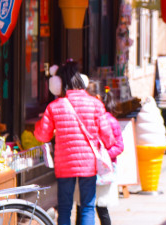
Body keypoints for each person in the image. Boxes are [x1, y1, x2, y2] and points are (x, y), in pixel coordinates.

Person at [34, 61, 116, 225]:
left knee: (64, 208)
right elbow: (108, 137)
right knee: (87, 207)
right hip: (88, 164)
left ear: (59, 85)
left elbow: (42, 135)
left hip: (64, 164)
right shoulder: (95, 104)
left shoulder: (54, 107)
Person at [75, 87, 124, 225]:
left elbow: (119, 146)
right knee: (81, 207)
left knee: (101, 208)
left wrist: (101, 156)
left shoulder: (109, 121)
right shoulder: (85, 119)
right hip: (86, 168)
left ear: (97, 98)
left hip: (102, 171)